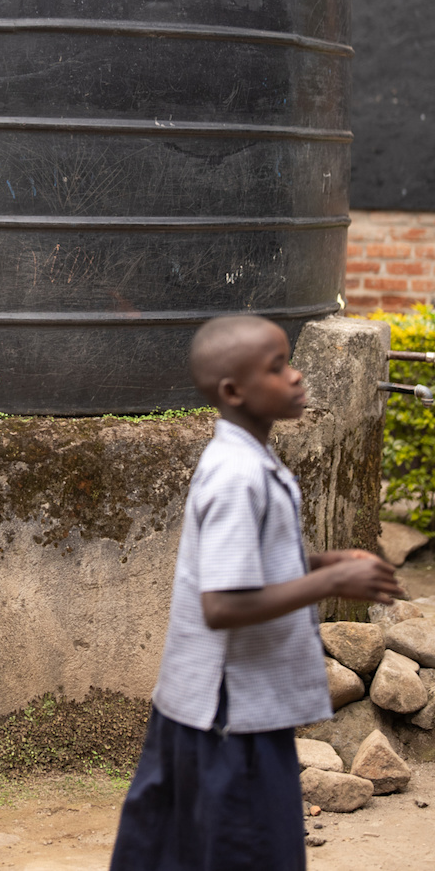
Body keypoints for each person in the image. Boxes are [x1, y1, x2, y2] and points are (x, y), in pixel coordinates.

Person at [109, 314, 403, 871]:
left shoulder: (251, 460)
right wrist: (333, 581)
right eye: (277, 368)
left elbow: (250, 569)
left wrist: (323, 561)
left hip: (215, 708)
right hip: (228, 716)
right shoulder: (237, 476)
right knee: (244, 850)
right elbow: (221, 604)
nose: (296, 377)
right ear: (233, 391)